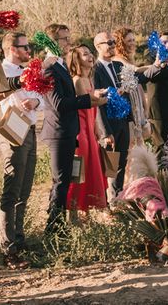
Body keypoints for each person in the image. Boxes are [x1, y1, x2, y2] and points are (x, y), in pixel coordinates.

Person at [40, 30, 107, 231]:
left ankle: (59, 225)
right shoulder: (49, 68)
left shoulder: (59, 65)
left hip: (68, 130)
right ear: (53, 41)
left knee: (66, 179)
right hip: (59, 131)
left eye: (69, 37)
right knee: (61, 182)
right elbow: (58, 103)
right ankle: (54, 228)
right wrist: (89, 100)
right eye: (65, 38)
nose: (69, 42)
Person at [0, 32, 39, 269]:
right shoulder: (1, 71)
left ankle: (19, 239)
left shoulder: (26, 71)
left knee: (25, 187)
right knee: (11, 187)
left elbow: (39, 96)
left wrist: (36, 102)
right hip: (12, 126)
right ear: (12, 49)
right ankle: (8, 248)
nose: (29, 51)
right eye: (25, 47)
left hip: (31, 128)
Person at [66, 44, 108, 216]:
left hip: (90, 129)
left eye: (90, 53)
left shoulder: (90, 80)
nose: (90, 56)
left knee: (91, 169)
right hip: (80, 131)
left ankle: (87, 210)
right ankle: (74, 210)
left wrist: (97, 127)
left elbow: (93, 109)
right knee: (79, 170)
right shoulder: (77, 80)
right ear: (77, 60)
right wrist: (110, 96)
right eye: (85, 54)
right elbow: (89, 103)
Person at [93, 31, 130, 202]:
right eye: (108, 43)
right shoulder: (95, 70)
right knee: (109, 165)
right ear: (98, 47)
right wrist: (105, 131)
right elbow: (97, 103)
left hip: (122, 121)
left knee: (121, 162)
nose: (112, 45)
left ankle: (118, 197)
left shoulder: (118, 66)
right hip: (108, 124)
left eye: (113, 42)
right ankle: (105, 202)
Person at [141, 32, 168, 151]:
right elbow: (153, 76)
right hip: (158, 109)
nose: (167, 45)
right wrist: (165, 65)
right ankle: (157, 170)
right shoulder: (150, 57)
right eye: (164, 42)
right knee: (160, 144)